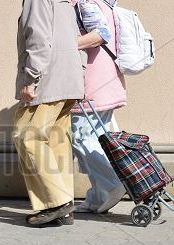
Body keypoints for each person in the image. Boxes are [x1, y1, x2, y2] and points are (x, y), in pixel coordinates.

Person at [13, 0, 86, 226]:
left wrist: (31, 78)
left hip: (49, 79)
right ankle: (65, 207)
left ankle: (56, 202)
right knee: (57, 142)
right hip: (68, 79)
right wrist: (79, 74)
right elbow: (76, 41)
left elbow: (38, 39)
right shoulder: (64, 2)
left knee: (27, 136)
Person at [71, 0, 126, 214]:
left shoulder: (86, 2)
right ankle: (97, 196)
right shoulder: (103, 2)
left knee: (81, 136)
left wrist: (64, 45)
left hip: (94, 81)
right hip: (106, 79)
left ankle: (113, 183)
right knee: (97, 136)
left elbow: (101, 33)